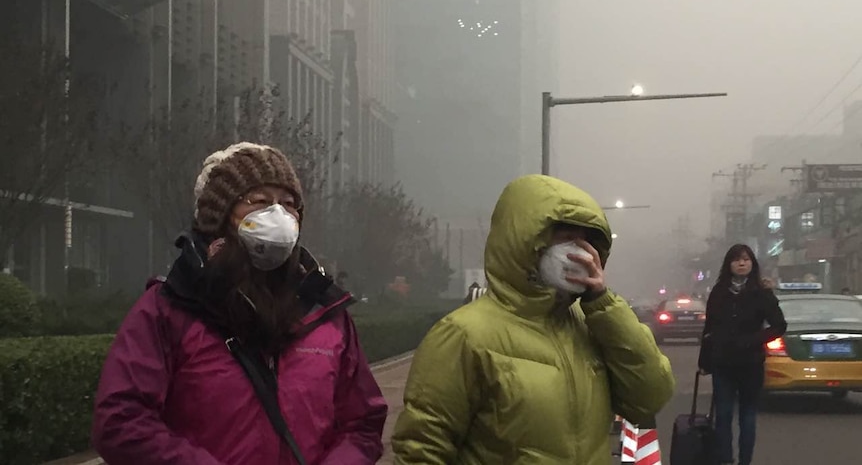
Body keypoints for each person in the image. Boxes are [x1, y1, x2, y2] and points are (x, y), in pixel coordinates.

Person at [91, 142, 387, 465]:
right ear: (221, 216)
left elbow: (363, 424)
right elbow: (121, 422)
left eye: (289, 204)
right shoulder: (171, 308)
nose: (279, 214)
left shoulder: (324, 312)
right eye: (259, 201)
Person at [391, 174, 675, 464]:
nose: (580, 252)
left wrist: (601, 302)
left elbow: (649, 397)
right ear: (527, 243)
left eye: (587, 241)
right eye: (566, 238)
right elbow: (422, 449)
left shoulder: (591, 324)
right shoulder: (462, 335)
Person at [698, 244, 787, 465]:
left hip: (751, 363)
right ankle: (725, 459)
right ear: (729, 264)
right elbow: (709, 328)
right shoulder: (719, 292)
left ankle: (745, 461)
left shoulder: (762, 293)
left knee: (747, 416)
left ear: (752, 264)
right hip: (723, 363)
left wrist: (754, 339)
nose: (741, 263)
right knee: (724, 415)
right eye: (737, 260)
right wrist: (704, 362)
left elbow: (779, 325)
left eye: (746, 260)